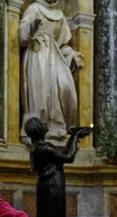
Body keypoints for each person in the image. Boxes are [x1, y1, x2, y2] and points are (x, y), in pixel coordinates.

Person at [19, 0, 84, 143]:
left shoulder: (59, 15)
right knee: (40, 91)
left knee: (65, 87)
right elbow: (22, 36)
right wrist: (32, 28)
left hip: (54, 56)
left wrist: (71, 55)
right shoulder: (34, 8)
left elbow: (63, 44)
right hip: (37, 53)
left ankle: (57, 126)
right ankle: (37, 129)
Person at [25, 117, 90, 217]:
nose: (45, 123)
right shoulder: (47, 149)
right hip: (53, 185)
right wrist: (76, 137)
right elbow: (68, 157)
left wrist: (73, 136)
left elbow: (61, 156)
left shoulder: (35, 150)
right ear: (39, 129)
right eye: (42, 123)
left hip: (44, 185)